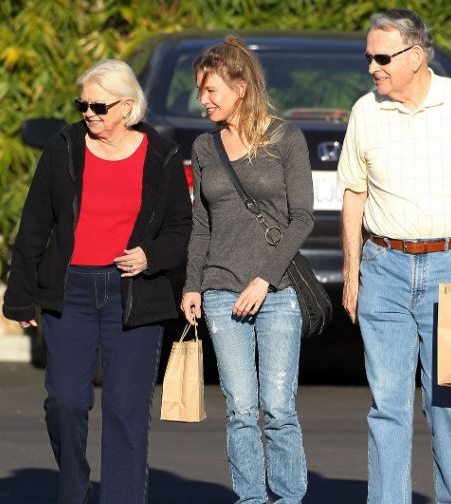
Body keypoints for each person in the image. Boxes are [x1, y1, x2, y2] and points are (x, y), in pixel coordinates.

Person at [2, 59, 192, 504]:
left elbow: (181, 230)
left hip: (133, 294)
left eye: (99, 106)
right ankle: (76, 491)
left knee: (126, 413)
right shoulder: (64, 147)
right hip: (71, 294)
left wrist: (150, 256)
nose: (88, 113)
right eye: (82, 103)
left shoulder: (160, 155)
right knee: (65, 404)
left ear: (127, 107)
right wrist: (20, 296)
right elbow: (34, 224)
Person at [338, 8, 451, 504]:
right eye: (368, 57)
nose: (372, 67)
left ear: (415, 56)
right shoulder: (365, 111)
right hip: (383, 268)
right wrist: (352, 273)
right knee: (387, 407)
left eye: (382, 57)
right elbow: (354, 193)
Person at [181, 36, 313, 504]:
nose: (204, 100)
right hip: (219, 288)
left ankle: (290, 498)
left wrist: (266, 278)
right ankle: (252, 499)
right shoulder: (203, 146)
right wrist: (192, 285)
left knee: (279, 408)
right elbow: (201, 225)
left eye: (211, 89)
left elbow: (303, 219)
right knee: (240, 409)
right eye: (200, 91)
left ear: (240, 86)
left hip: (276, 291)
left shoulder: (285, 138)